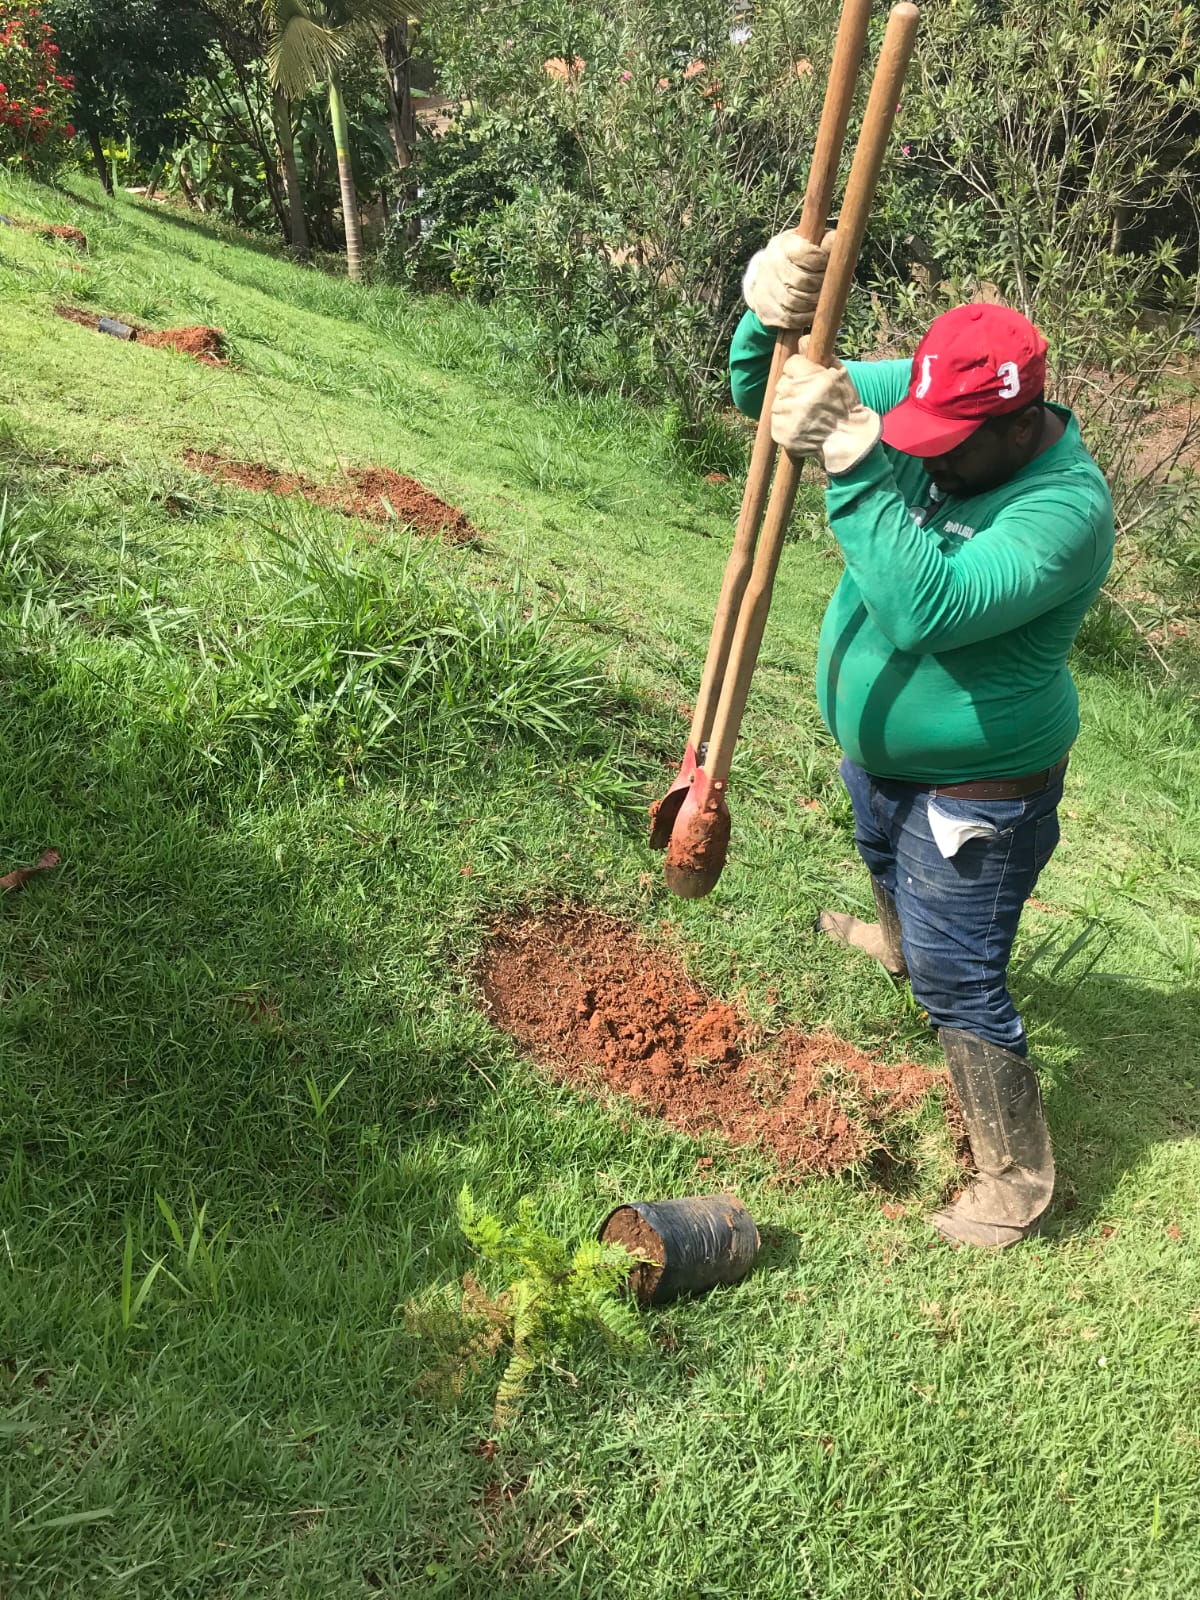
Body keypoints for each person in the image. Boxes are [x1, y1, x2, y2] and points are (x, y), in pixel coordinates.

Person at [729, 231, 1115, 1247]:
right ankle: (897, 945)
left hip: (982, 788)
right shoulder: (945, 394)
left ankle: (1015, 1181)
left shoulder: (1067, 509)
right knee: (880, 853)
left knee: (961, 974)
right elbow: (778, 396)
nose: (926, 448)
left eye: (949, 442)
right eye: (917, 429)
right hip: (885, 762)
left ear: (1020, 424)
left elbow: (925, 609)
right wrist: (766, 318)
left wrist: (860, 459)